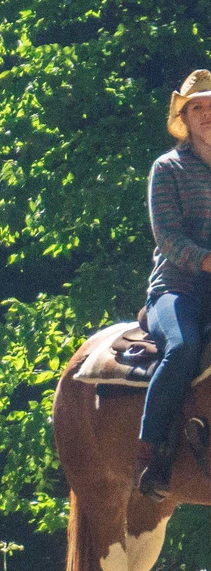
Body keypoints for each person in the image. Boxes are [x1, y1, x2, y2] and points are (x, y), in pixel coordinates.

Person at [139, 69, 211, 500]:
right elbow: (167, 238)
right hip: (178, 288)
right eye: (197, 108)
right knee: (183, 348)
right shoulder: (167, 168)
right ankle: (151, 459)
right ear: (184, 118)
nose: (206, 114)